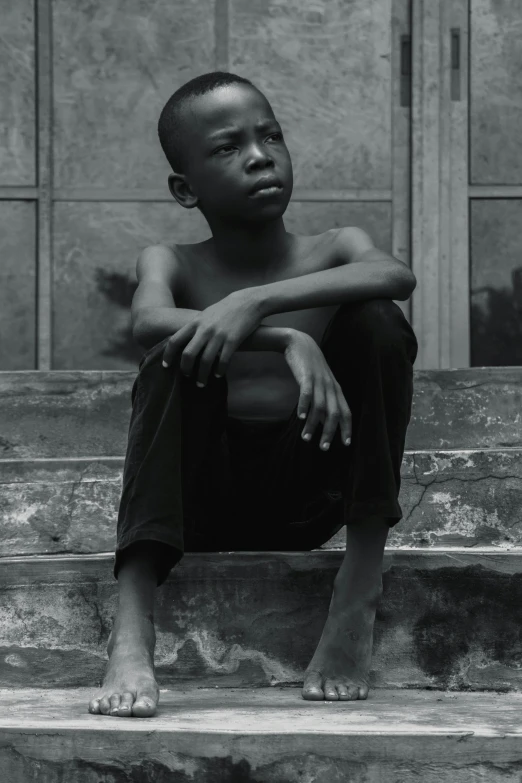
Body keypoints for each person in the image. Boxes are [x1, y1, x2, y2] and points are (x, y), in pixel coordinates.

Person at [88, 71, 418, 718]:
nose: (260, 155)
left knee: (377, 319)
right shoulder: (173, 261)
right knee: (171, 357)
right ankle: (132, 627)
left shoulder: (336, 248)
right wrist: (289, 341)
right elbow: (149, 322)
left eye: (270, 136)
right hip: (203, 500)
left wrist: (253, 302)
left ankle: (357, 591)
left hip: (311, 488)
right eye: (226, 147)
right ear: (185, 189)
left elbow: (394, 274)